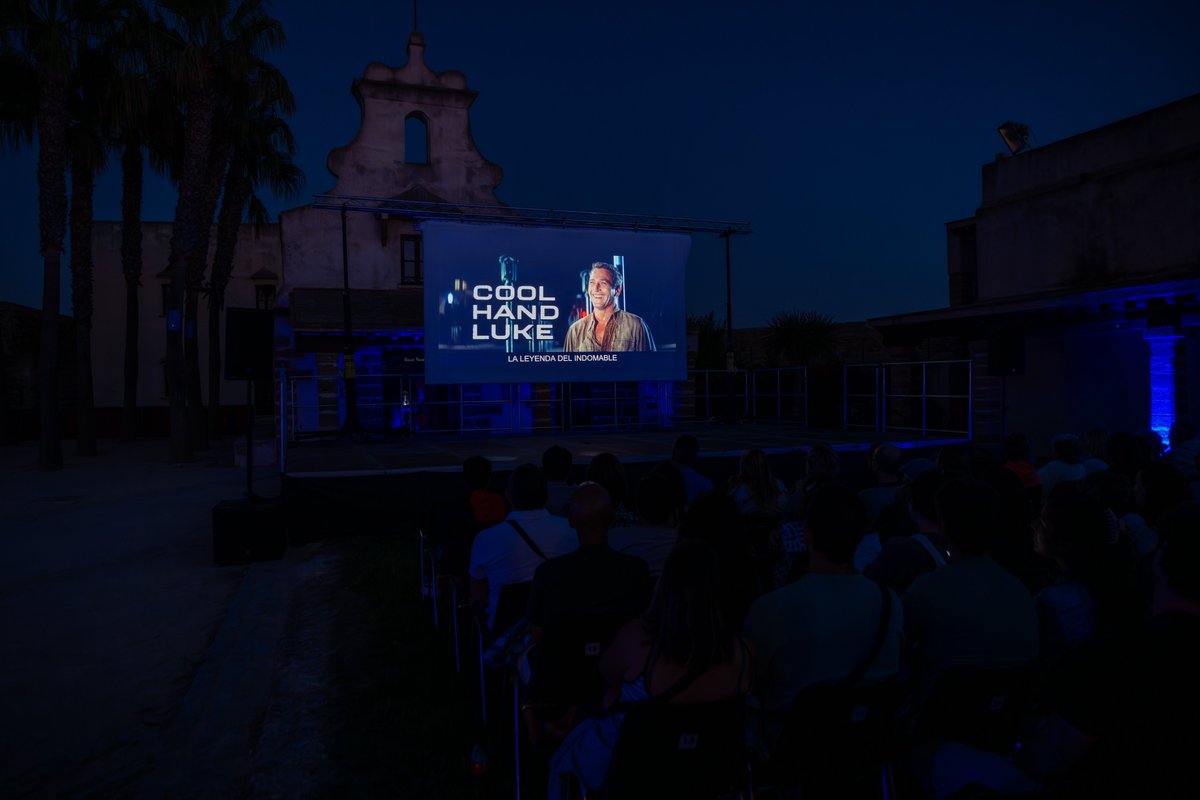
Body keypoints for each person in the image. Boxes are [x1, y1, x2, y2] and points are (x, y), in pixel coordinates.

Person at [545, 538, 752, 799]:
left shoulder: (638, 639)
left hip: (635, 768)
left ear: (665, 586)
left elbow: (604, 673)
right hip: (710, 773)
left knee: (564, 758)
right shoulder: (741, 652)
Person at [744, 484, 904, 721]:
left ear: (807, 535)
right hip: (871, 740)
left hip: (788, 743)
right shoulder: (890, 602)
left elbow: (749, 680)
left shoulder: (771, 609)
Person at [469, 464, 578, 632]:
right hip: (559, 628)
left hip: (505, 635)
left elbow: (478, 597)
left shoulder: (485, 539)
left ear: (508, 496)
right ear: (546, 496)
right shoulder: (571, 532)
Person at [563, 262, 655, 352]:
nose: (595, 288)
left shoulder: (636, 326)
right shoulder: (575, 330)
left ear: (617, 290)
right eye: (592, 283)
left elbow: (649, 365)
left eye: (603, 283)